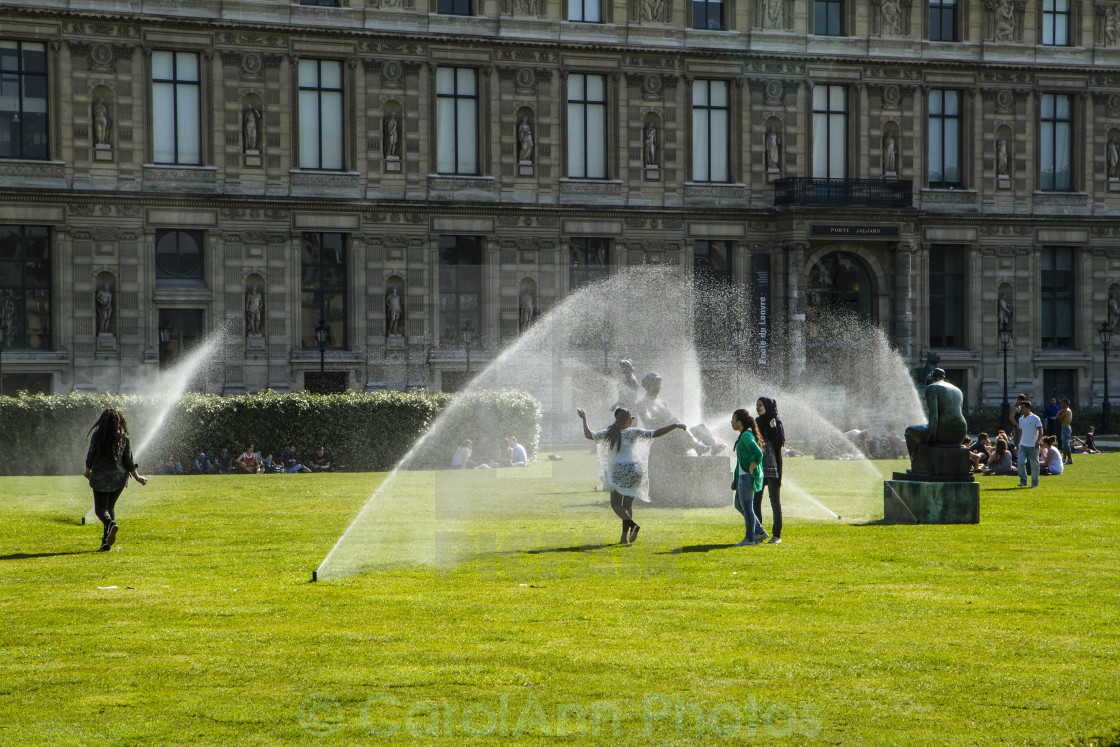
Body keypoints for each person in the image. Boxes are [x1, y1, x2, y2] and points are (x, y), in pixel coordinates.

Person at [577, 406, 686, 545]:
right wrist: (675, 425)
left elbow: (589, 435)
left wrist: (584, 418)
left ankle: (632, 525)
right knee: (627, 505)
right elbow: (656, 433)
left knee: (616, 504)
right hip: (634, 471)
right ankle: (624, 538)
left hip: (618, 471)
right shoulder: (634, 432)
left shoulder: (610, 432)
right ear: (629, 419)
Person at [84, 408, 148, 552]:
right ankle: (105, 544)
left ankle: (110, 524)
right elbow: (128, 460)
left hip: (100, 476)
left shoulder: (98, 435)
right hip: (119, 478)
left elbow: (90, 456)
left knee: (100, 509)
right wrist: (138, 477)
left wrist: (87, 472)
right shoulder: (123, 436)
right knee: (109, 507)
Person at [731, 409, 767, 546]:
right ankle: (759, 531)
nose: (731, 422)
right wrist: (735, 481)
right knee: (739, 505)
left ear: (739, 422)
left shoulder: (746, 435)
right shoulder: (743, 435)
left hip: (747, 477)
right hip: (742, 477)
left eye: (733, 420)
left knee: (747, 507)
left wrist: (751, 468)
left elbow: (758, 454)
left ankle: (750, 538)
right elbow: (740, 462)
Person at [754, 397, 784, 544]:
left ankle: (776, 535)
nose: (758, 407)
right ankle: (758, 532)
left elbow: (779, 442)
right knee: (756, 500)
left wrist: (773, 428)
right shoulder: (756, 422)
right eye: (757, 405)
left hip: (773, 468)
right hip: (759, 466)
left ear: (767, 406)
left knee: (774, 501)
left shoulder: (775, 422)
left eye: (761, 405)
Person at [1016, 401, 1043, 488]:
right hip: (1023, 445)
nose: (1021, 409)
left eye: (1023, 407)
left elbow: (1041, 430)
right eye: (1021, 407)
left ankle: (1035, 483)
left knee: (1034, 465)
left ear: (1029, 408)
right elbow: (1021, 432)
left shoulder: (1035, 418)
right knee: (1020, 463)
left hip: (1033, 445)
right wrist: (1018, 444)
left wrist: (1039, 441)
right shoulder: (1021, 419)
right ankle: (1023, 481)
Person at [1057, 398, 1073, 464]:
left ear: (1065, 404)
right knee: (1064, 444)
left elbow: (1057, 417)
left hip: (1066, 429)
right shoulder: (1067, 411)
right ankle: (1064, 458)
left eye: (1062, 403)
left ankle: (1069, 459)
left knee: (1066, 444)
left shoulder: (1066, 411)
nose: (1060, 404)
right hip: (1065, 428)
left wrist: (1060, 411)